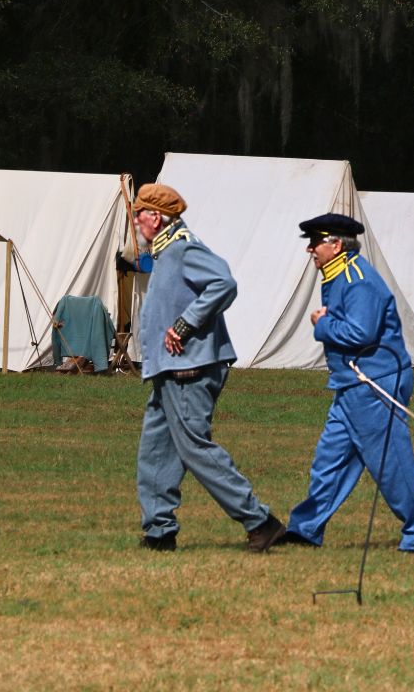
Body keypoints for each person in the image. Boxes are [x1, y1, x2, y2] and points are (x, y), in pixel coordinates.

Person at [133, 183, 286, 552]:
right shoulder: (166, 249)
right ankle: (159, 532)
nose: (135, 220)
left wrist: (186, 324)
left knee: (195, 448)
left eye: (139, 214)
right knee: (154, 451)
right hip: (170, 369)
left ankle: (260, 521)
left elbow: (223, 282)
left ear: (155, 217)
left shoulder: (183, 246)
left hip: (191, 369)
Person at [283, 213, 414, 553]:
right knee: (330, 460)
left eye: (315, 242)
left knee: (392, 464)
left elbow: (360, 333)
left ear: (336, 244)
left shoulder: (357, 280)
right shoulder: (336, 275)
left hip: (374, 385)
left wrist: (320, 324)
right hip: (351, 385)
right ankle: (305, 528)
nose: (310, 249)